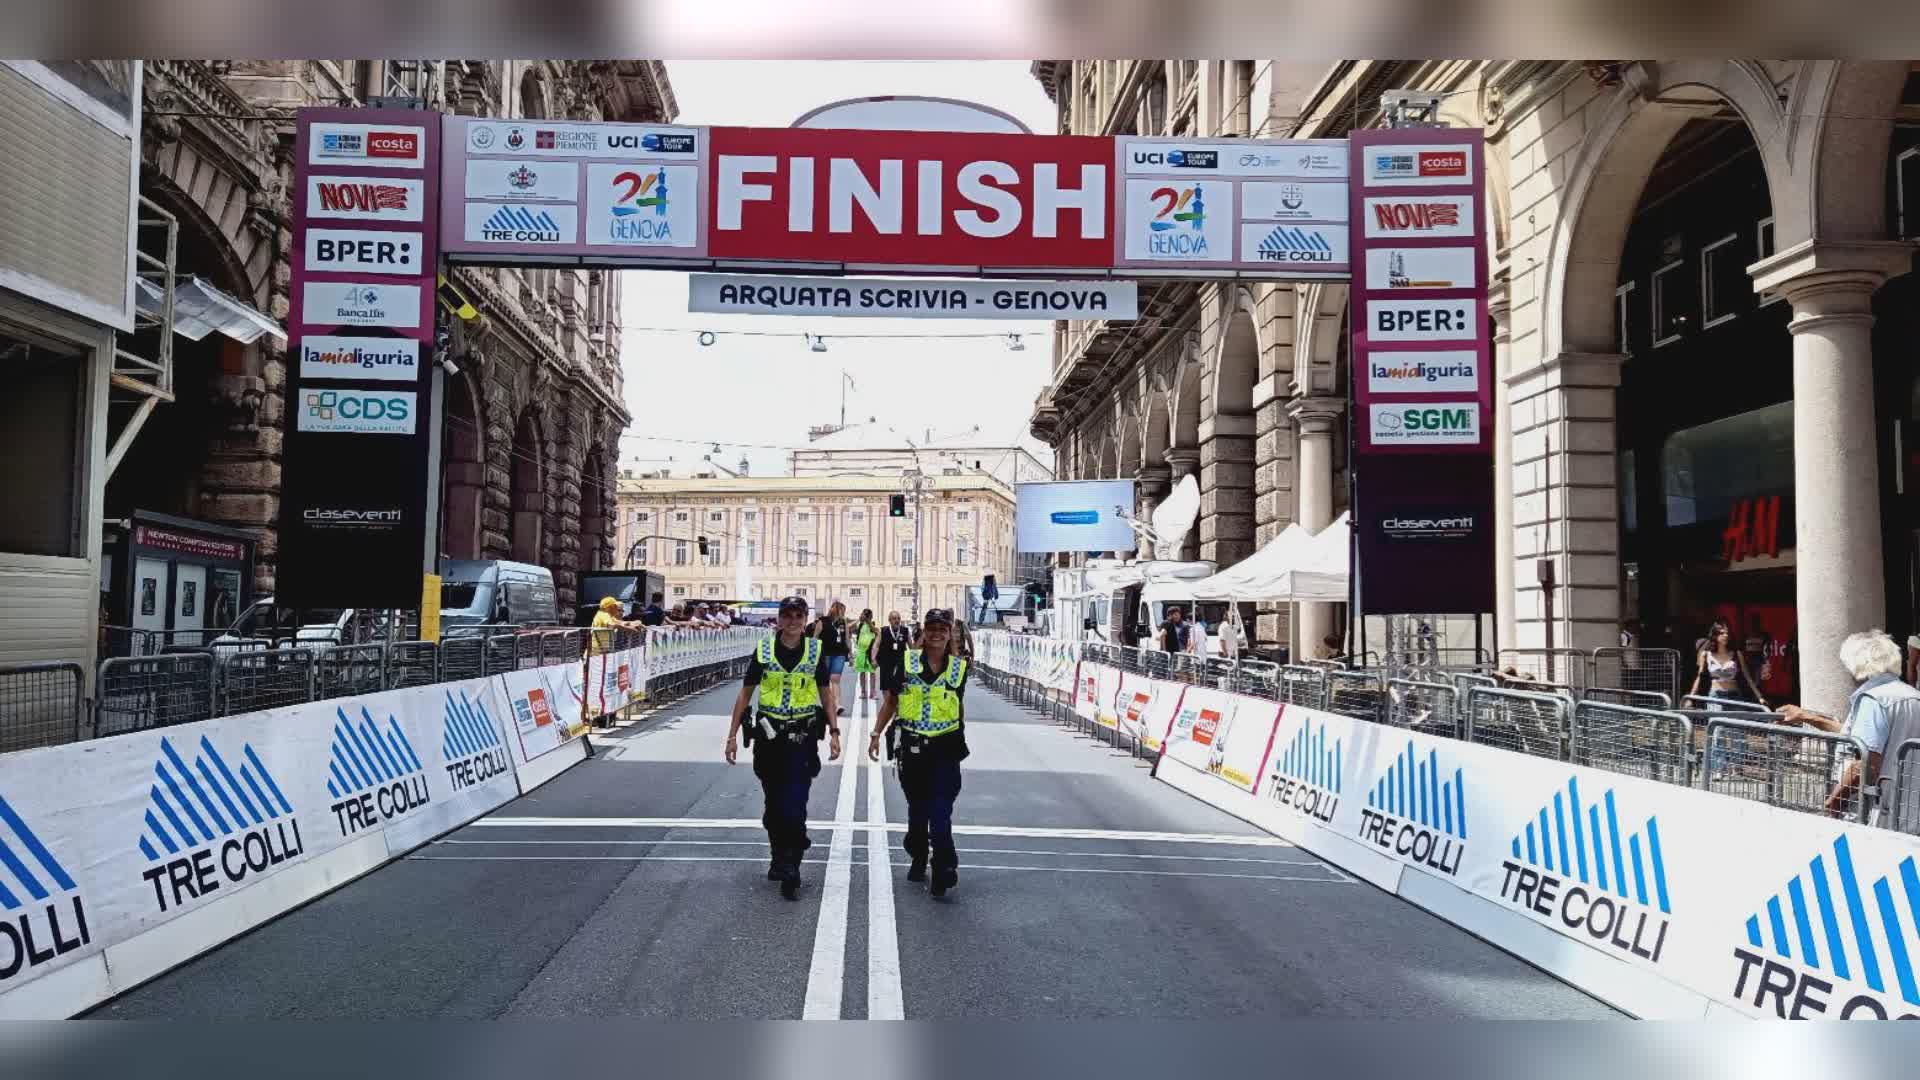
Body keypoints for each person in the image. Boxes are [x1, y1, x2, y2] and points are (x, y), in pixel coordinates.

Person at [725, 595, 841, 900]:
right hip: (769, 739)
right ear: (779, 619)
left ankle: (792, 863)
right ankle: (779, 854)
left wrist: (834, 731)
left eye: (798, 616)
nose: (792, 621)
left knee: (795, 803)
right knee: (774, 805)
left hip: (801, 739)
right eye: (787, 615)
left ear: (805, 620)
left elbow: (826, 695)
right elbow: (744, 695)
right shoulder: (763, 651)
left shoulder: (815, 651)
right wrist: (732, 735)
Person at [870, 607, 970, 898]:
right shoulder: (907, 662)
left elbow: (958, 705)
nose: (937, 633)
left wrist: (960, 735)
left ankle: (944, 867)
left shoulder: (958, 668)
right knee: (918, 810)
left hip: (946, 748)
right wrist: (877, 734)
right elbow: (891, 702)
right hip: (913, 749)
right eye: (932, 628)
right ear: (924, 631)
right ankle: (917, 853)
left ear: (949, 632)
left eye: (942, 628)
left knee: (940, 811)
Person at [1776, 630, 1920, 818]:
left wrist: (1834, 801)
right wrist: (1806, 716)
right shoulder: (1911, 695)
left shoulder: (1874, 699)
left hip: (1878, 813)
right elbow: (1858, 736)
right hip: (1909, 807)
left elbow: (1864, 764)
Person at [813, 600, 851, 717]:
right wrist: (813, 653)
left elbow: (847, 639)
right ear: (836, 610)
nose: (843, 613)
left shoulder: (843, 622)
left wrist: (851, 654)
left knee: (835, 678)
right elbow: (815, 637)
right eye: (842, 611)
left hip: (839, 654)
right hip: (825, 654)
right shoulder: (823, 621)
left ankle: (837, 704)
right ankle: (828, 704)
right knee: (825, 681)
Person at [876, 610, 912, 694]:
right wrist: (874, 659)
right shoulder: (883, 631)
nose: (897, 620)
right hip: (886, 662)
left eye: (898, 618)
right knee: (886, 687)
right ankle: (887, 704)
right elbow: (876, 646)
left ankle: (897, 705)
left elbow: (911, 646)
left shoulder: (905, 631)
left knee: (900, 686)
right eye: (894, 618)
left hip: (900, 662)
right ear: (889, 620)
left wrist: (915, 659)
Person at [853, 608, 880, 707]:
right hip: (861, 651)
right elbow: (850, 628)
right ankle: (863, 691)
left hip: (870, 651)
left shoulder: (872, 624)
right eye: (865, 614)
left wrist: (868, 620)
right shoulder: (860, 625)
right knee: (862, 672)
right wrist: (858, 619)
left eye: (867, 615)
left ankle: (873, 692)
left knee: (872, 672)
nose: (866, 616)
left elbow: (875, 631)